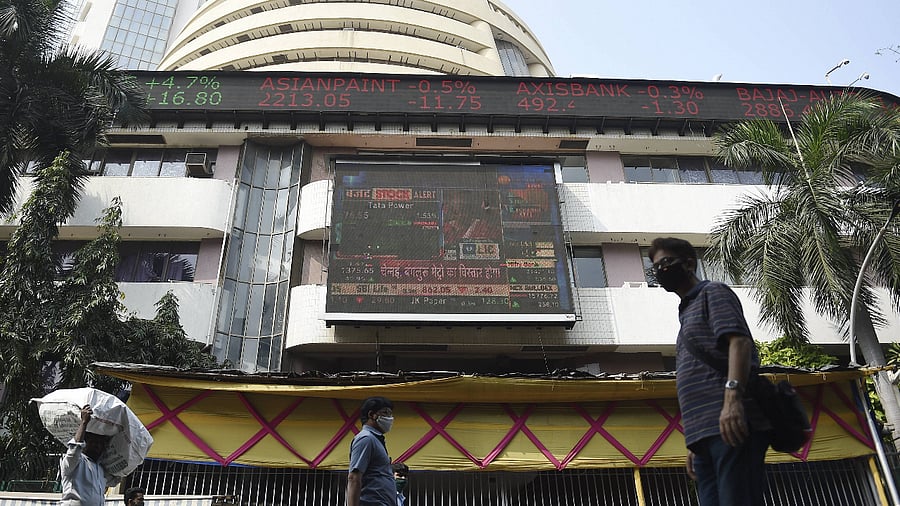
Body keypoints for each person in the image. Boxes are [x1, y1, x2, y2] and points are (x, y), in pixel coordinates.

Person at [648, 237, 770, 506]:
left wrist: (732, 400)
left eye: (666, 262)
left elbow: (739, 342)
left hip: (731, 424)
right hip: (704, 435)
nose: (660, 271)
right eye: (655, 267)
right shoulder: (687, 312)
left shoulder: (712, 293)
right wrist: (694, 444)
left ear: (689, 263)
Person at [60, 405, 120, 506]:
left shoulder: (100, 469)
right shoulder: (75, 462)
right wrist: (84, 423)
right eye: (94, 442)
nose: (97, 446)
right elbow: (75, 448)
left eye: (100, 443)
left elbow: (116, 479)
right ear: (85, 442)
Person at [347, 397, 395, 506]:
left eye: (391, 414)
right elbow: (354, 477)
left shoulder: (375, 440)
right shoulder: (366, 439)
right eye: (385, 413)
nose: (390, 418)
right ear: (371, 415)